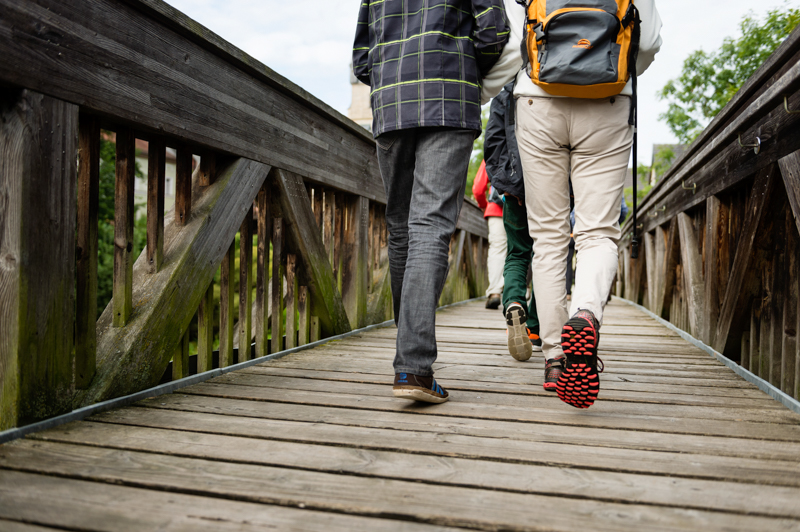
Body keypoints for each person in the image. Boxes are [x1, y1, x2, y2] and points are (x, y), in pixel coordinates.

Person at [481, 0, 662, 408]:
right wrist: (607, 72)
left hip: (537, 101)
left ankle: (554, 359)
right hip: (610, 101)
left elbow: (511, 46)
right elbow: (647, 42)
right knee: (597, 232)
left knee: (547, 237)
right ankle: (586, 314)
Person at [353, 0, 509, 404]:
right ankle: (414, 366)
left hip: (391, 105)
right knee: (430, 227)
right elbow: (494, 34)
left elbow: (362, 58)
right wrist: (458, 65)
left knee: (402, 228)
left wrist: (394, 74)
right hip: (449, 97)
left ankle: (409, 357)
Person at [483, 83, 549, 374]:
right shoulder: (556, 83)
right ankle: (534, 327)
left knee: (517, 253)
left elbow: (493, 144)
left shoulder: (506, 92)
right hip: (551, 185)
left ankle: (512, 301)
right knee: (548, 254)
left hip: (514, 188)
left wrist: (507, 185)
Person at [472, 161, 506, 310]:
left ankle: (494, 293)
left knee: (497, 250)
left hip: (496, 208)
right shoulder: (527, 144)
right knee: (520, 249)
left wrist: (485, 205)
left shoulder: (494, 149)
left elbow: (479, 188)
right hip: (521, 209)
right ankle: (520, 293)